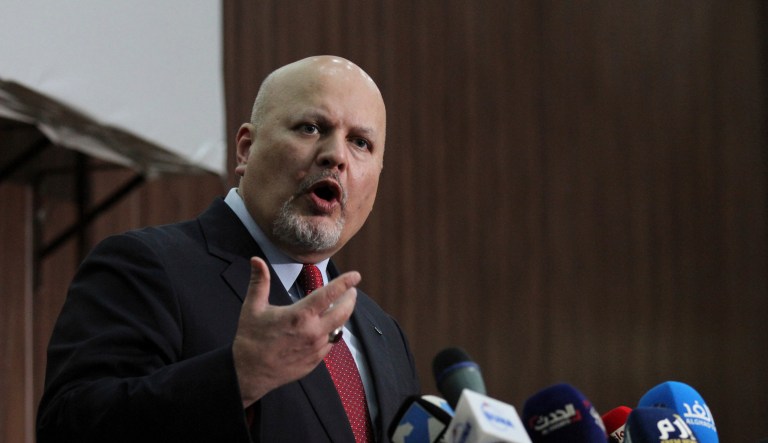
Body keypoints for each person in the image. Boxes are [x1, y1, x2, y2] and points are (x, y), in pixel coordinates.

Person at [36, 55, 420, 443]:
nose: (336, 155)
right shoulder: (147, 267)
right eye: (310, 128)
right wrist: (238, 377)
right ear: (246, 149)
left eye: (360, 142)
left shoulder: (384, 334)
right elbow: (69, 427)